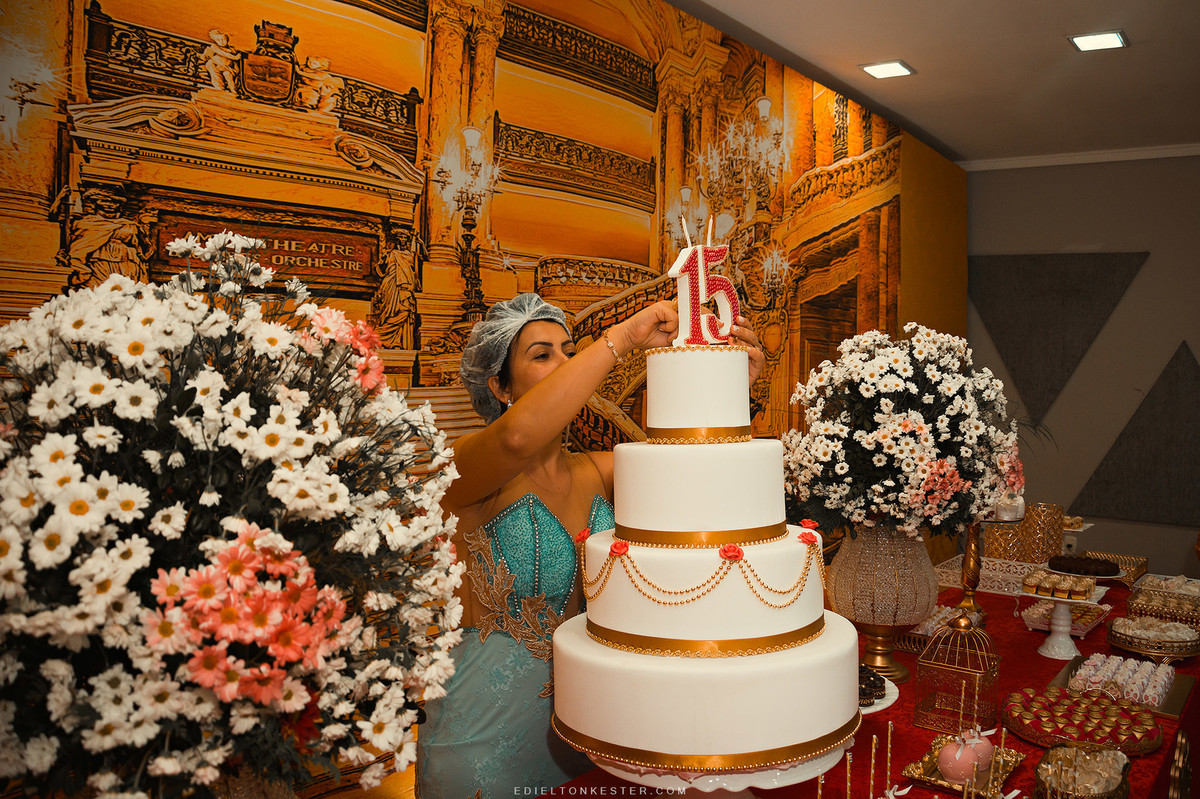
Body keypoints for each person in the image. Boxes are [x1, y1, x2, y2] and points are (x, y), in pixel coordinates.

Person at [416, 293, 763, 798]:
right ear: (500, 387)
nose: (565, 362)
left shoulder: (599, 470)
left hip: (590, 733)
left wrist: (725, 383)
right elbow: (516, 439)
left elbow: (693, 468)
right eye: (542, 354)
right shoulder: (461, 469)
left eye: (569, 350)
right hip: (483, 745)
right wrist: (622, 338)